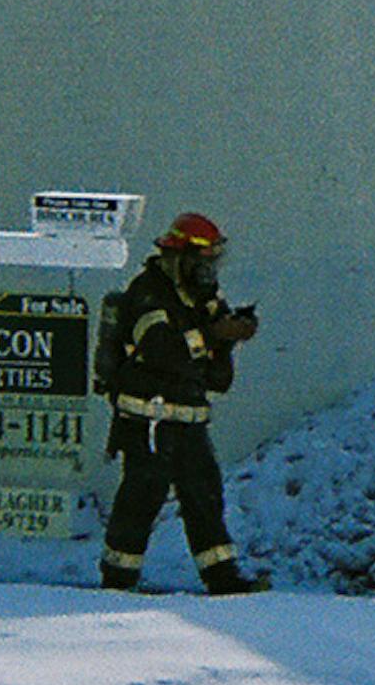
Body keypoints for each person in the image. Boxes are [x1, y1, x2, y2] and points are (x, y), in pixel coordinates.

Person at [98, 211, 267, 594]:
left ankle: (223, 578)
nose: (209, 271)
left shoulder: (203, 298)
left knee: (205, 496)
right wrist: (212, 335)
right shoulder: (148, 293)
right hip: (148, 421)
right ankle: (118, 580)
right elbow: (161, 351)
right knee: (140, 499)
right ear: (180, 257)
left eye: (214, 262)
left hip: (189, 420)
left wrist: (230, 336)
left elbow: (217, 379)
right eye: (202, 261)